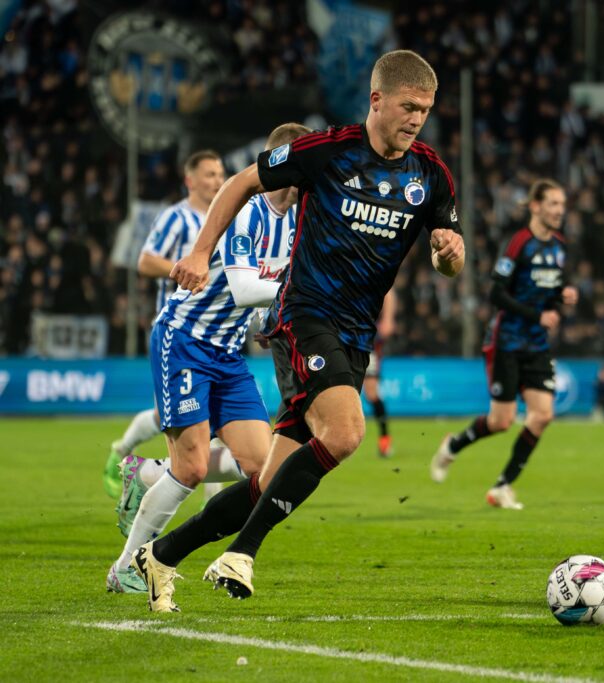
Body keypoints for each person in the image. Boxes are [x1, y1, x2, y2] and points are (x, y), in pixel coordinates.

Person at [131, 50, 464, 612]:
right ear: (377, 100)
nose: (416, 119)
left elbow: (450, 260)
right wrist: (199, 248)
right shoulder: (327, 151)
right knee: (346, 432)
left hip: (356, 333)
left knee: (270, 477)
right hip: (306, 314)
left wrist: (448, 254)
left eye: (426, 110)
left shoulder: (430, 173)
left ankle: (162, 554)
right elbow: (242, 181)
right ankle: (242, 553)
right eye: (408, 106)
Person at [105, 124, 307, 595]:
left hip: (227, 352)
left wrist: (268, 323)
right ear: (283, 165)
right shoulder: (245, 211)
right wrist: (299, 295)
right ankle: (126, 568)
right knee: (193, 468)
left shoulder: (299, 222)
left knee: (263, 467)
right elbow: (242, 287)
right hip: (185, 339)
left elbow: (260, 295)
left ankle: (149, 473)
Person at [430, 179, 577, 509]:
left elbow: (554, 287)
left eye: (562, 205)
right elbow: (496, 293)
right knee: (501, 422)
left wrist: (563, 296)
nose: (559, 211)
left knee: (542, 415)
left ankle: (502, 486)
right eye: (553, 204)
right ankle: (452, 446)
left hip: (536, 344)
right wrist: (537, 314)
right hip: (507, 341)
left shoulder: (559, 246)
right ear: (536, 206)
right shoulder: (519, 243)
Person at [102, 151, 224, 499]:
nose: (217, 180)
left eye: (220, 174)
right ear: (190, 180)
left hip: (214, 332)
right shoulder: (177, 218)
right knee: (176, 418)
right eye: (209, 174)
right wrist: (186, 268)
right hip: (174, 331)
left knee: (205, 422)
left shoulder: (228, 218)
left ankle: (209, 511)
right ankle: (122, 451)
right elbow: (145, 261)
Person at [365, 289, 396, 457]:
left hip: (367, 336)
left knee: (371, 392)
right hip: (343, 333)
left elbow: (388, 291)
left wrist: (388, 318)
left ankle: (384, 438)